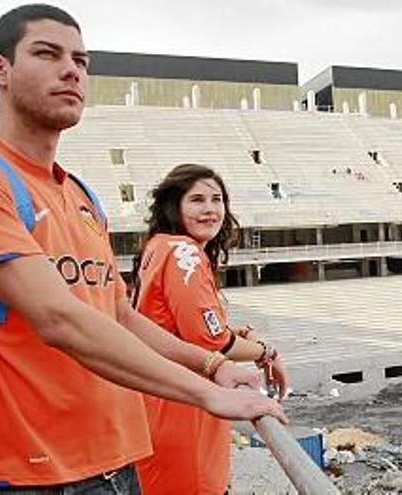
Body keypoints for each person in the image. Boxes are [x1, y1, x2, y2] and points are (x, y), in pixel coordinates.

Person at [0, 4, 286, 492]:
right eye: (47, 54)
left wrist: (213, 366)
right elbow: (58, 318)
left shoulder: (82, 196)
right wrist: (205, 393)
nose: (71, 70)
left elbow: (120, 315)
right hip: (29, 474)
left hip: (118, 462)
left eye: (81, 60)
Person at [130, 163, 289, 494]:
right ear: (176, 206)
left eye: (217, 200)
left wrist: (240, 335)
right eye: (197, 200)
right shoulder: (182, 253)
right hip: (184, 409)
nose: (210, 209)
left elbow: (176, 324)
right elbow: (212, 340)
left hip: (159, 400)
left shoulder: (158, 246)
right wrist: (266, 353)